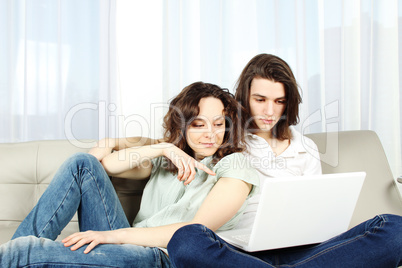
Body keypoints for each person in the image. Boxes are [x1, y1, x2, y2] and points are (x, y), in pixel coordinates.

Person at [166, 54, 402, 267]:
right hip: (236, 252)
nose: (270, 111)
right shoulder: (224, 137)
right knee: (187, 241)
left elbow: (317, 210)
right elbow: (186, 141)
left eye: (279, 101)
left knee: (396, 228)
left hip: (306, 251)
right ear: (244, 98)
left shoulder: (305, 146)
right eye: (260, 100)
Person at [0, 82, 259, 267]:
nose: (210, 134)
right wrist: (162, 148)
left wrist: (109, 236)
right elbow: (103, 166)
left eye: (218, 124)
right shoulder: (166, 160)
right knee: (82, 162)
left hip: (162, 256)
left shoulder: (235, 166)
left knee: (25, 252)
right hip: (125, 243)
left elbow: (193, 233)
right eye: (198, 124)